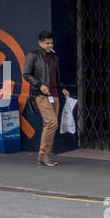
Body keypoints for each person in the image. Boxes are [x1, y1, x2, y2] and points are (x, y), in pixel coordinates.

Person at [23, 31, 70, 167]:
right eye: (47, 43)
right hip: (41, 95)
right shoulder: (33, 56)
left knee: (49, 125)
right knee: (52, 123)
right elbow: (26, 74)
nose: (49, 45)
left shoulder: (55, 58)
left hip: (55, 94)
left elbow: (56, 77)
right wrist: (40, 85)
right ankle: (45, 155)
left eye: (51, 43)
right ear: (40, 43)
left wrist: (62, 88)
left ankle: (42, 156)